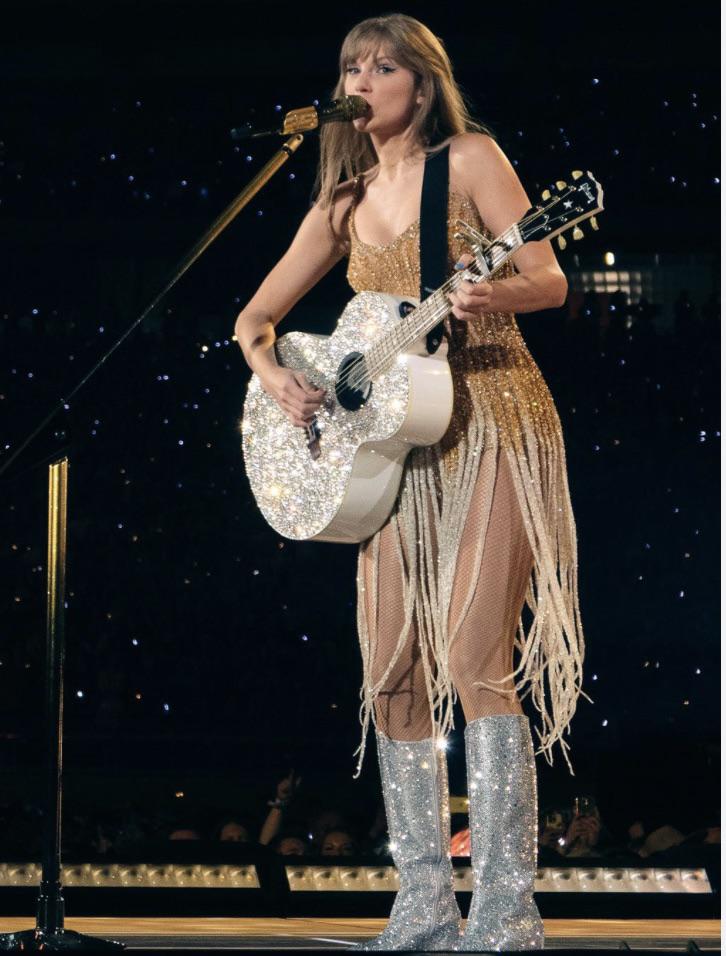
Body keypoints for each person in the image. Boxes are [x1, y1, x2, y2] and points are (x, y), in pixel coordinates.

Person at [235, 13, 589, 952]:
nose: (363, 79)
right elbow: (255, 318)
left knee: (476, 659)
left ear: (420, 86)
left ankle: (506, 915)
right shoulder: (341, 199)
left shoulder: (469, 159)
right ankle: (424, 907)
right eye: (352, 65)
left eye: (382, 65)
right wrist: (275, 375)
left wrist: (492, 291)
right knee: (392, 672)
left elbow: (548, 278)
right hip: (391, 448)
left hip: (491, 415)